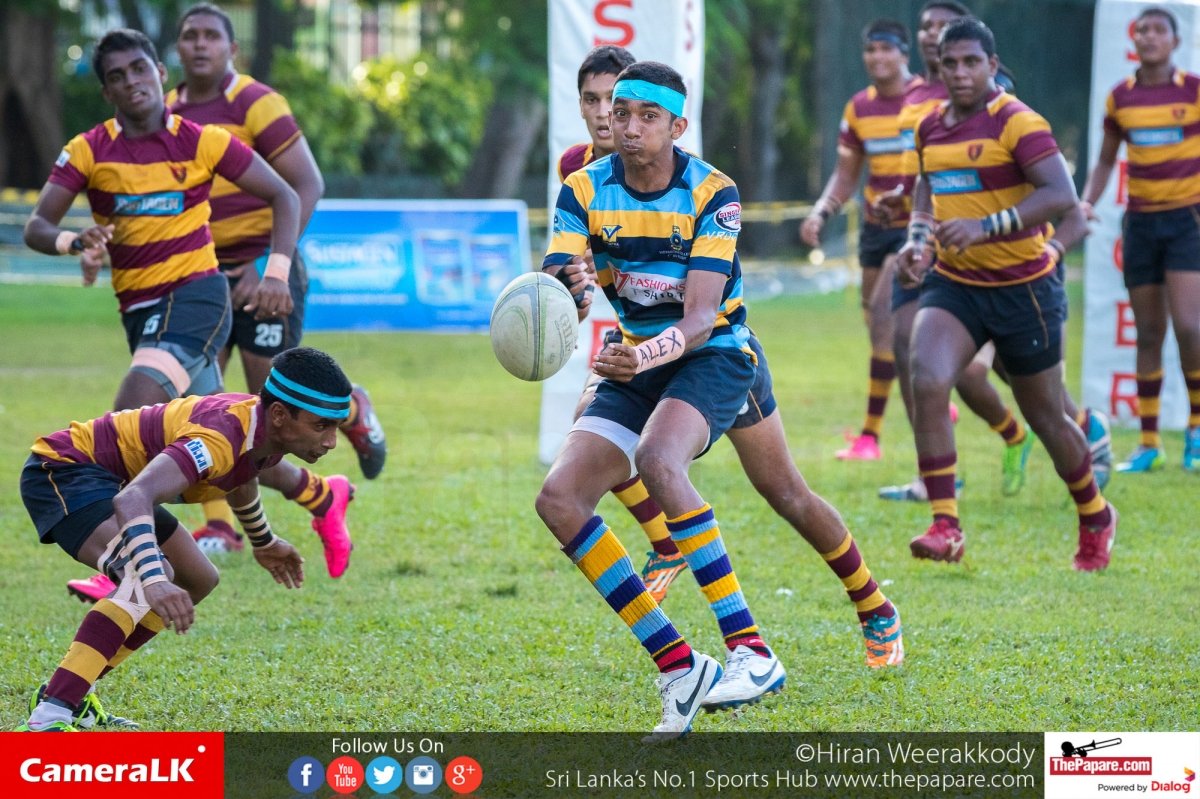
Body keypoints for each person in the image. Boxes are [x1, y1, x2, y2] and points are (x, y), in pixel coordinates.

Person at [563, 53, 902, 668]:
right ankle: (667, 551)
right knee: (586, 448)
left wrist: (639, 354)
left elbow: (700, 319)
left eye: (635, 110)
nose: (614, 120)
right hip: (643, 354)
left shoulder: (706, 188)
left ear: (673, 125)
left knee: (784, 491)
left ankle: (871, 602)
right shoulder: (579, 179)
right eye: (600, 104)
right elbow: (575, 280)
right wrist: (571, 292)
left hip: (716, 351)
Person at [17, 347, 350, 730]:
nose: (331, 441)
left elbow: (242, 476)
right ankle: (50, 717)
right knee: (144, 576)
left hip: (115, 484)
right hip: (66, 472)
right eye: (321, 426)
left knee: (198, 578)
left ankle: (70, 693)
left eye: (335, 427)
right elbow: (135, 498)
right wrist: (154, 578)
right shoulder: (218, 438)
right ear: (279, 414)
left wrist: (263, 540)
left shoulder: (263, 431)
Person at [897, 18, 1117, 572]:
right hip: (956, 283)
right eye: (951, 63)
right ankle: (946, 525)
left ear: (992, 66)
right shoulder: (930, 127)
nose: (961, 73)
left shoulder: (1019, 122)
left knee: (1045, 415)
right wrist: (917, 241)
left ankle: (1095, 514)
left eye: (973, 62)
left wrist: (986, 226)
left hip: (1025, 289)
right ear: (939, 67)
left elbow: (1061, 195)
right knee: (927, 378)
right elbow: (927, 185)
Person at [167, 2, 386, 554]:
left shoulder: (256, 102)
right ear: (177, 47)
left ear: (232, 49)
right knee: (203, 405)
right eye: (190, 35)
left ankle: (351, 409)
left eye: (211, 36)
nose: (200, 44)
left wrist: (268, 265)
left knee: (271, 401)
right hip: (202, 277)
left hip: (269, 271)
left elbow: (306, 184)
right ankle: (219, 526)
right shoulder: (168, 112)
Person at [871, 1, 1037, 502]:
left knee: (1008, 373)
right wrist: (903, 201)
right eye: (926, 27)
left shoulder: (990, 97)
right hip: (923, 240)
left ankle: (1061, 427)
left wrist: (986, 225)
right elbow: (927, 174)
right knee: (908, 347)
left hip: (987, 254)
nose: (930, 33)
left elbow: (1001, 174)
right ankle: (935, 479)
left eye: (942, 27)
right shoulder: (915, 97)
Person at [1080, 4, 1200, 473]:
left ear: (1176, 41)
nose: (1149, 36)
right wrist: (1086, 203)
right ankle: (1149, 443)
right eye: (1142, 30)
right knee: (1148, 332)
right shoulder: (1120, 98)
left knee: (1190, 328)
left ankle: (1195, 430)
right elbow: (1105, 161)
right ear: (1133, 40)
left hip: (1188, 222)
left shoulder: (1193, 92)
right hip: (1141, 225)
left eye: (1158, 30)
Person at [802, 19, 916, 461]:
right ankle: (927, 388)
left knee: (885, 318)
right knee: (875, 321)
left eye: (886, 49)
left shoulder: (926, 99)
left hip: (915, 227)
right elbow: (846, 173)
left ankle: (870, 437)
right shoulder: (859, 108)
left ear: (905, 54)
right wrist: (821, 211)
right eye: (870, 50)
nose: (877, 57)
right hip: (875, 227)